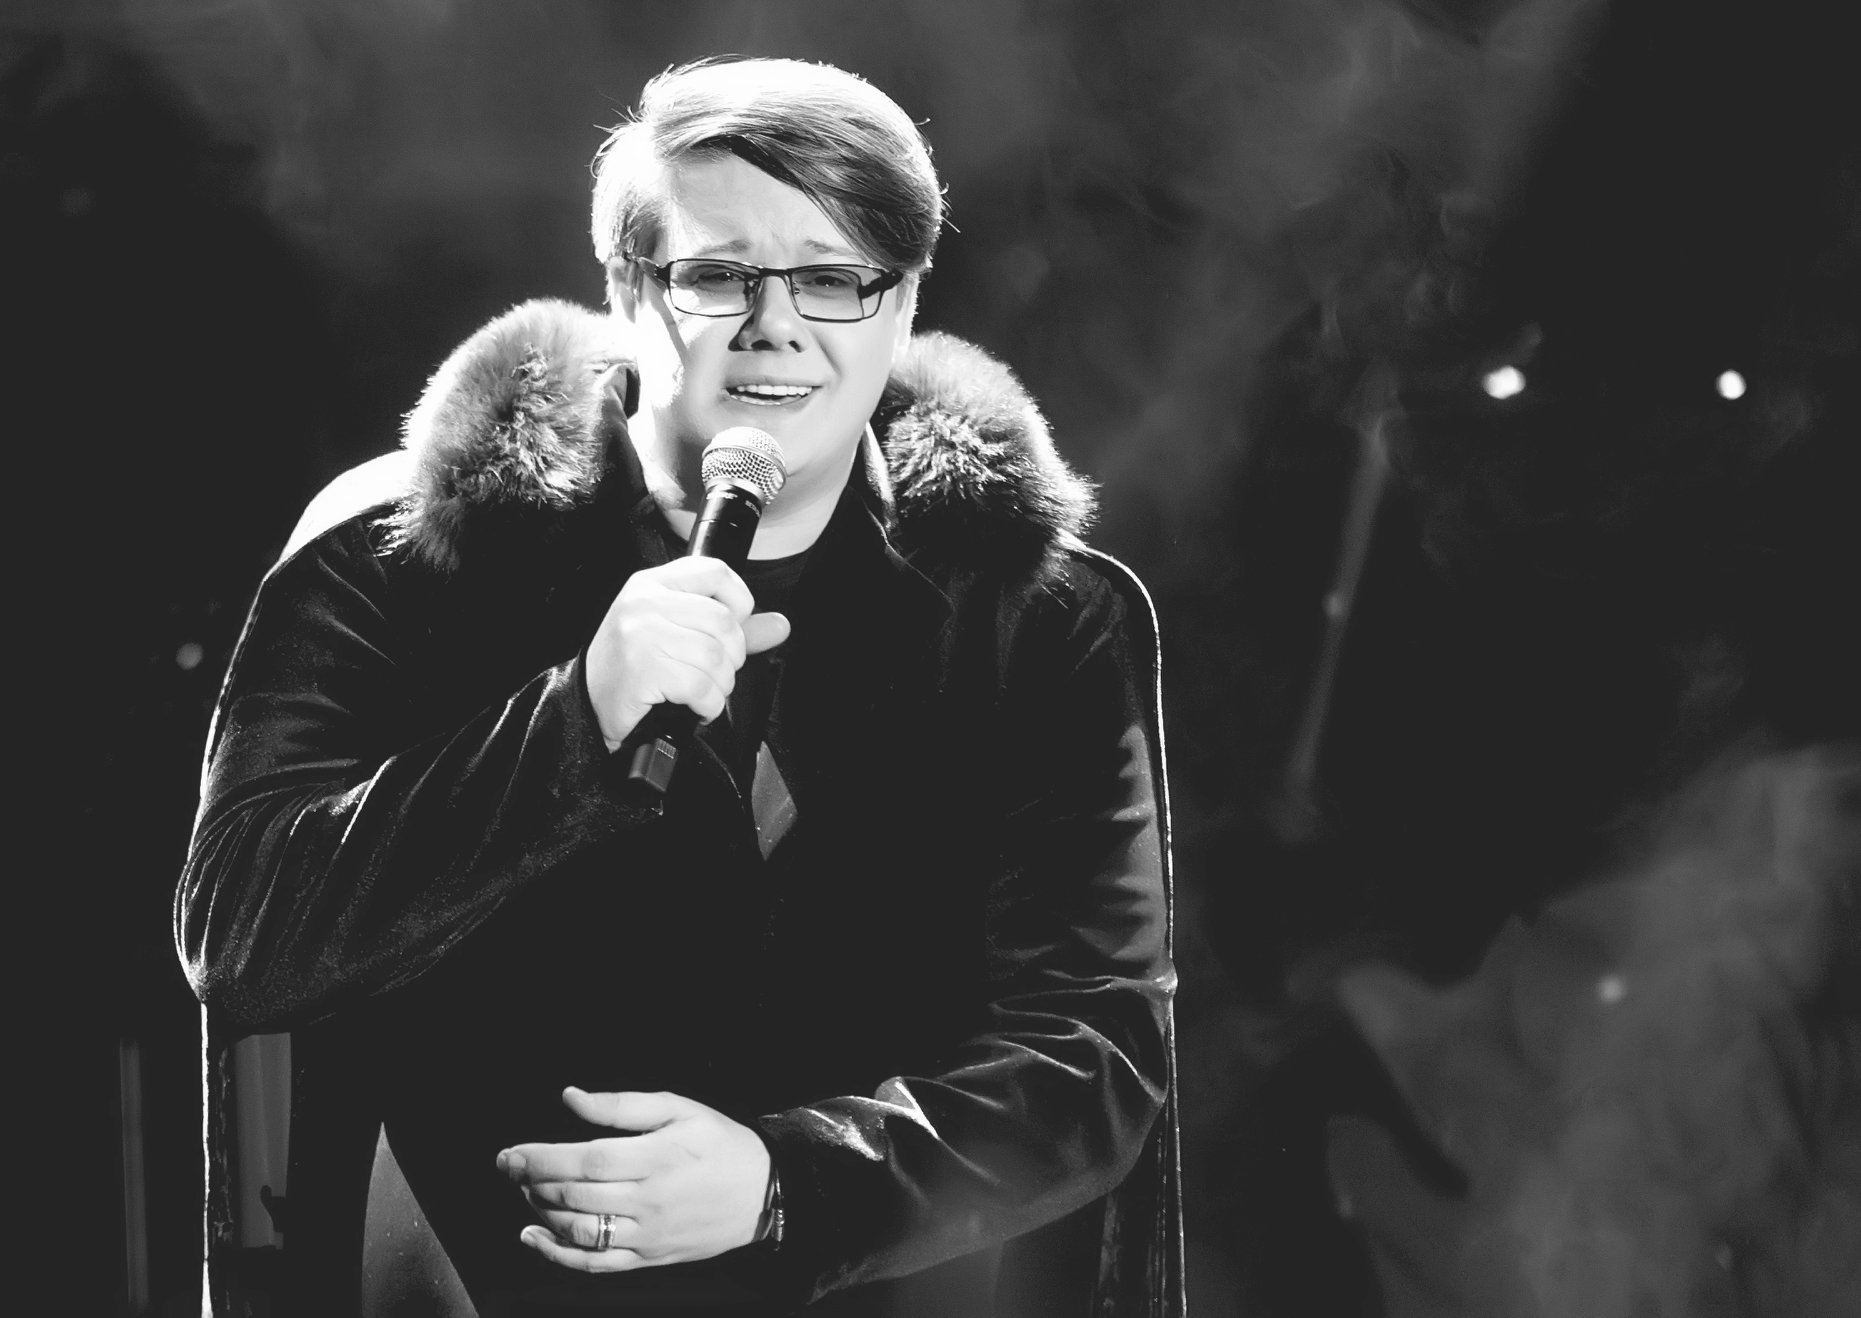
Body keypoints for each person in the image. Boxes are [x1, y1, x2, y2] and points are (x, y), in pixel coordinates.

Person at [177, 56, 1181, 1317]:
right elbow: (245, 939)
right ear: (625, 289)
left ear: (904, 301)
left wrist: (786, 1181)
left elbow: (1093, 1046)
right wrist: (574, 720)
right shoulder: (399, 557)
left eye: (833, 277)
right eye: (717, 276)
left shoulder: (1037, 612)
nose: (778, 327)